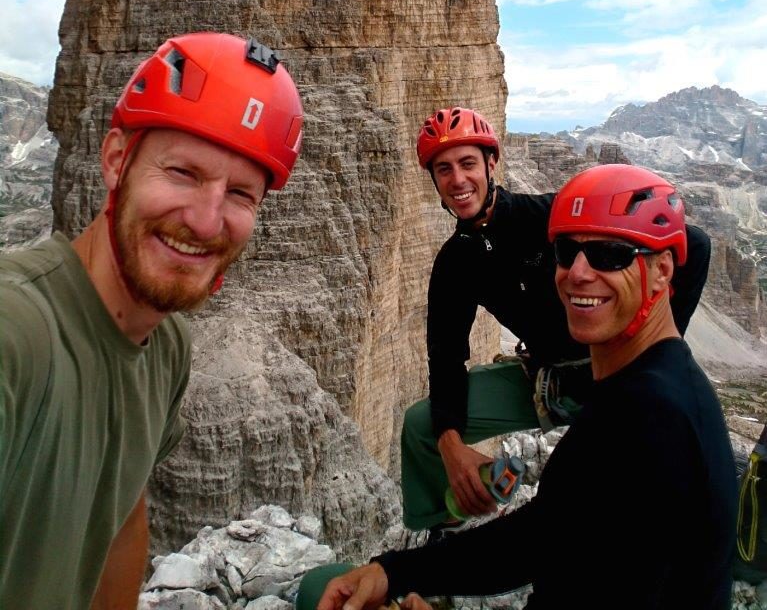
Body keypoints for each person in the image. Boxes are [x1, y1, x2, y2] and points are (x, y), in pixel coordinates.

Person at [308, 163, 736, 610]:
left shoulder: (649, 418)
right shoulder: (651, 393)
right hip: (553, 377)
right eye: (567, 252)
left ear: (664, 270)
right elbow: (548, 534)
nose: (578, 273)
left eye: (611, 253)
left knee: (318, 590)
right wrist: (396, 572)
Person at [0, 33, 304, 610]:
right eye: (184, 173)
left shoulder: (165, 348)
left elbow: (119, 522)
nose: (206, 219)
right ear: (117, 161)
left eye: (240, 194)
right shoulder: (17, 332)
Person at [401, 107, 710, 532]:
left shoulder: (550, 217)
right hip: (548, 381)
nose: (457, 180)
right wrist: (451, 446)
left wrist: (655, 351)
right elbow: (446, 358)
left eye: (468, 163)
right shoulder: (456, 263)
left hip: (622, 377)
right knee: (422, 427)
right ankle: (437, 536)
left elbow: (693, 245)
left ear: (491, 164)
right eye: (443, 169)